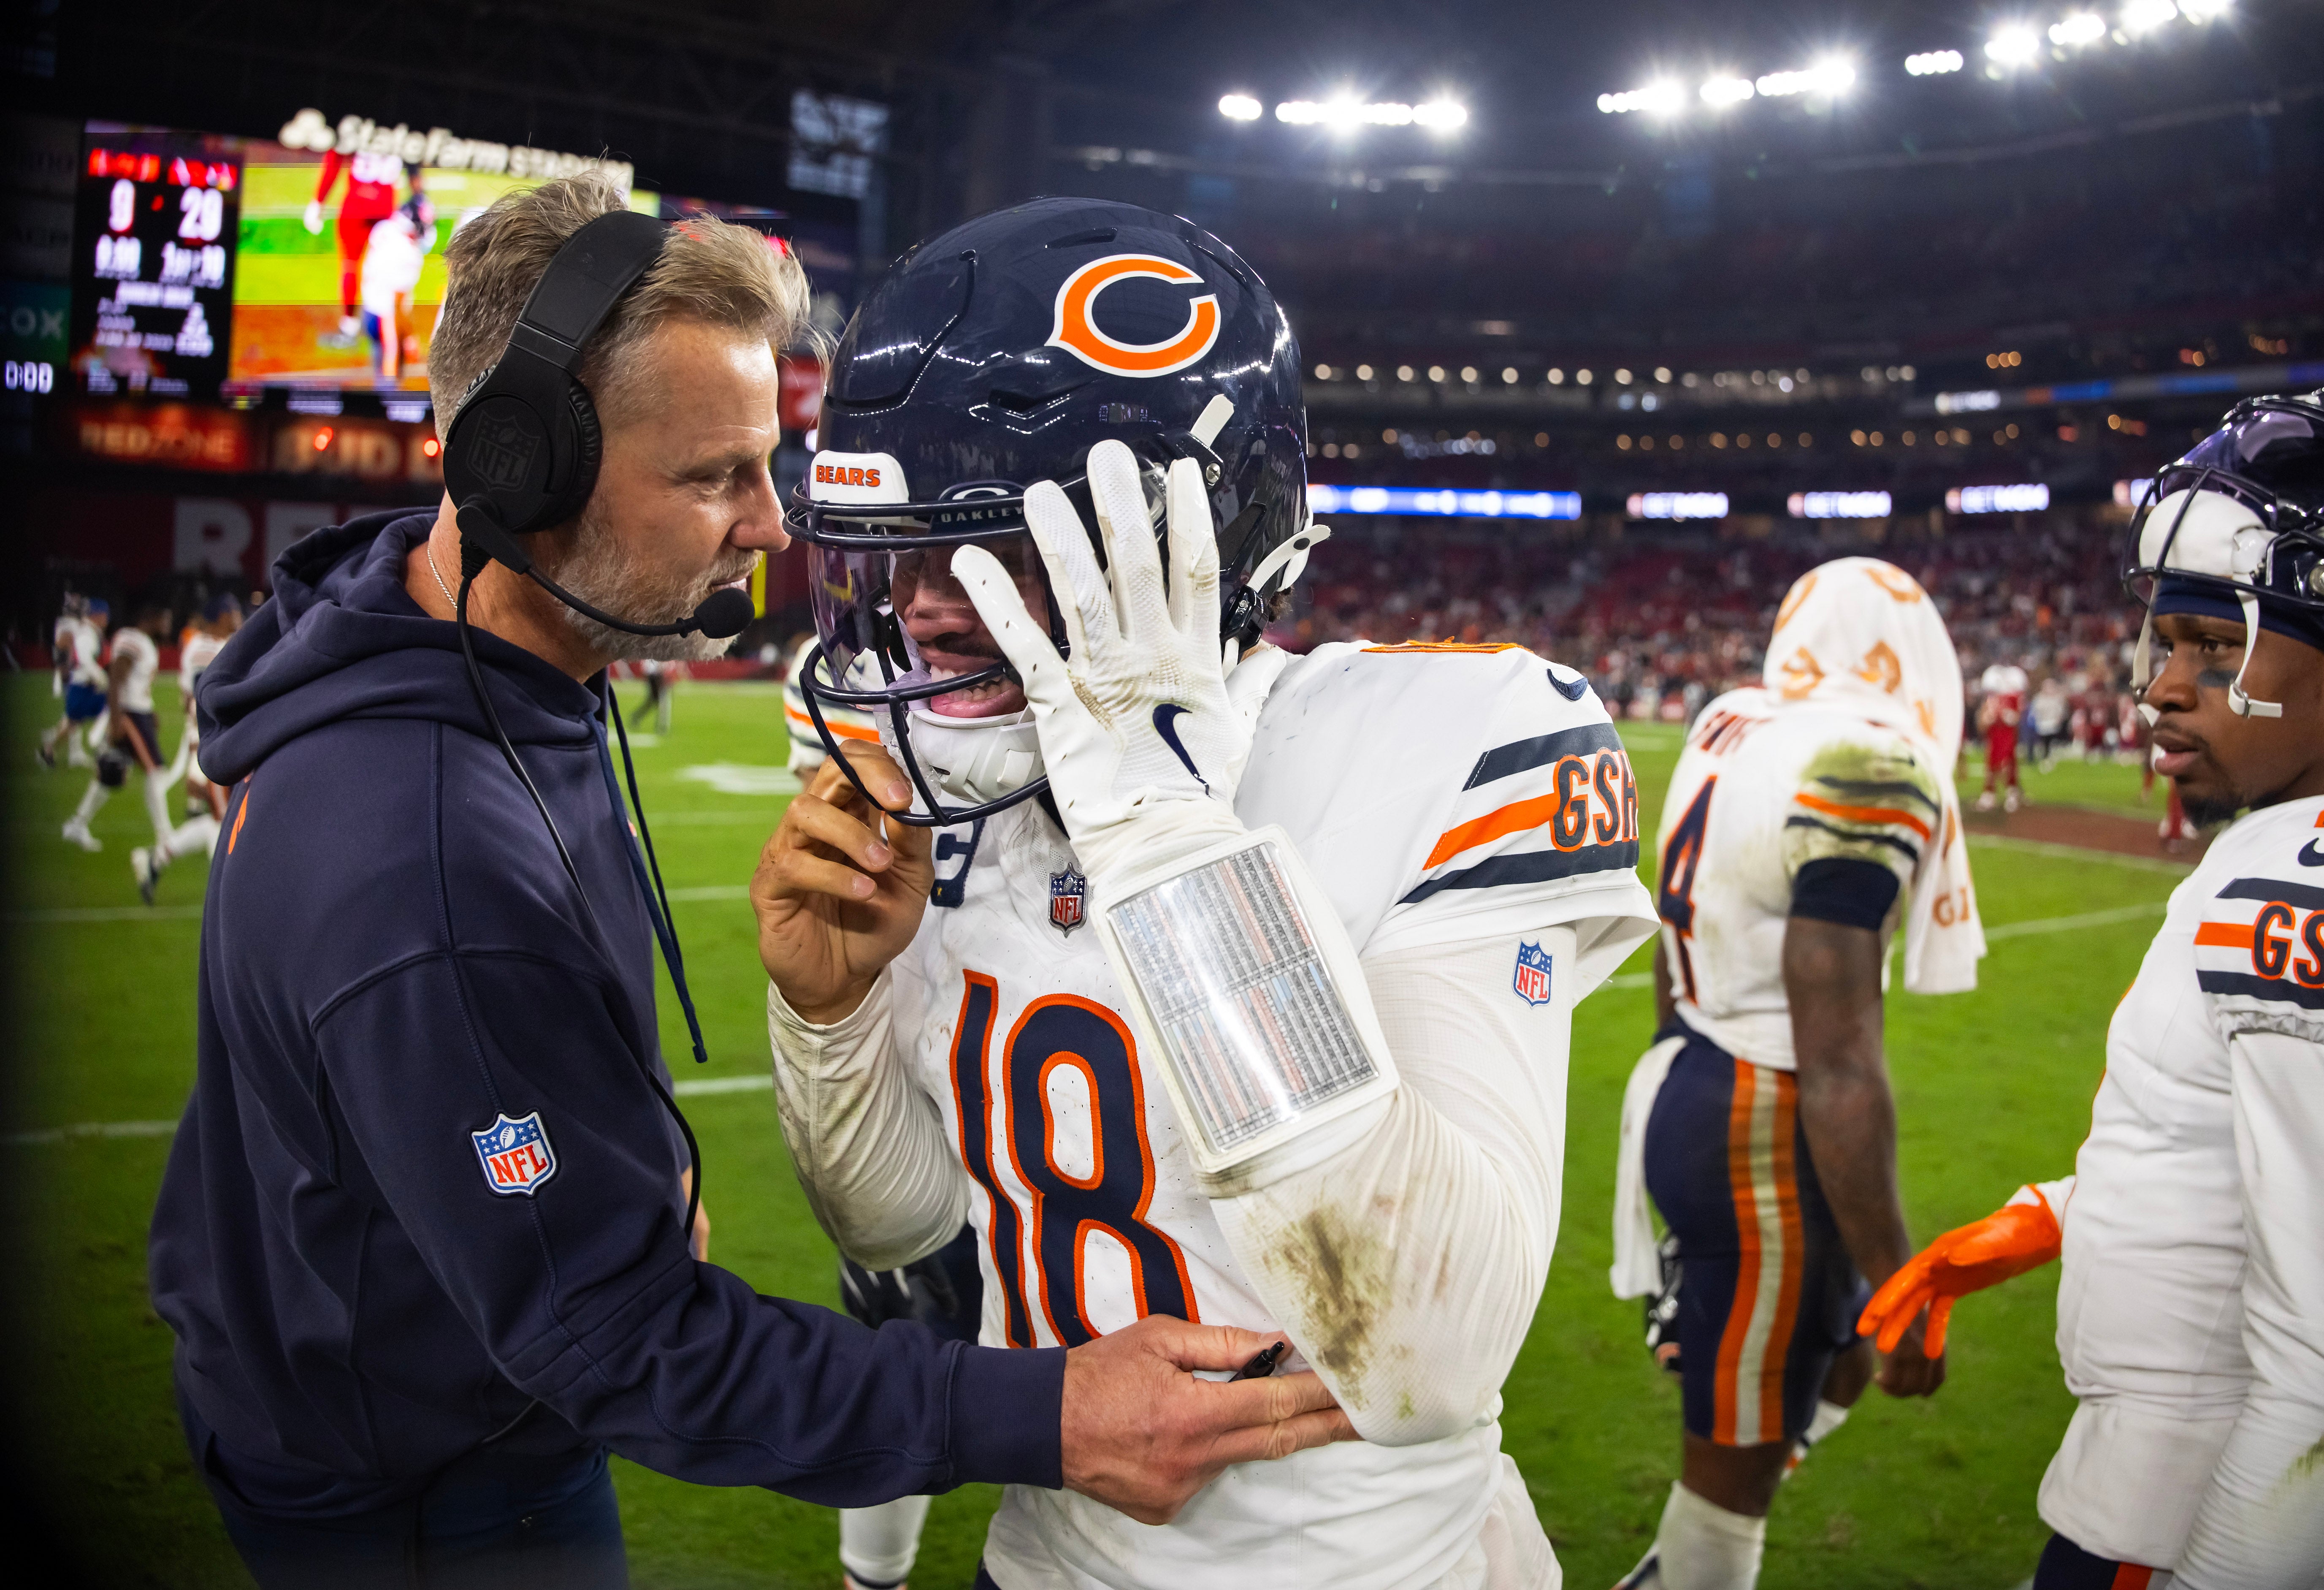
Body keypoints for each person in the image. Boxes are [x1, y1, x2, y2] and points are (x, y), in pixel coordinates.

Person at [149, 175, 1343, 1590]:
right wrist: (1049, 1408)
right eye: (713, 475)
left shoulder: (472, 652)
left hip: (396, 1372)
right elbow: (612, 1337)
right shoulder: (421, 857)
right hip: (428, 1492)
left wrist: (609, 1174)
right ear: (516, 471)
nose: (772, 528)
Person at [759, 197, 1660, 1590]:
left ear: (1182, 529)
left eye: (988, 547)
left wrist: (1167, 836)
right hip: (1046, 1555)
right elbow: (905, 1231)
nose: (927, 607)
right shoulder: (931, 788)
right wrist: (828, 1016)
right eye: (902, 553)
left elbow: (1421, 1349)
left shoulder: (1448, 736)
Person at [1858, 394, 2324, 1590]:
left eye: (2218, 651)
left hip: (2179, 1510)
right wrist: (2060, 1210)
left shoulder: (2288, 883)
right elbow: (2236, 1153)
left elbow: (2316, 1361)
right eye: (2165, 643)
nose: (2162, 689)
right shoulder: (2269, 841)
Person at [1607, 557, 1982, 1590]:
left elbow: (1665, 957)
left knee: (1837, 1356)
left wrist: (1667, 1119)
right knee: (1727, 1495)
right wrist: (1909, 1283)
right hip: (1761, 1128)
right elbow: (1840, 1064)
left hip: (1685, 1077)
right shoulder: (1865, 762)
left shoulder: (1733, 718)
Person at [135, 592, 244, 903]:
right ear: (222, 616)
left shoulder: (198, 646)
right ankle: (228, 899)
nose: (238, 617)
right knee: (226, 824)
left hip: (210, 744)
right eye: (233, 612)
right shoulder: (215, 648)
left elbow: (186, 698)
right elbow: (213, 697)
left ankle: (156, 860)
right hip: (217, 748)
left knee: (217, 821)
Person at [61, 600, 173, 856]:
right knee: (155, 772)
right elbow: (116, 678)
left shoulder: (140, 641)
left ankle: (77, 824)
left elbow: (133, 682)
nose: (168, 624)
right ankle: (166, 837)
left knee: (111, 771)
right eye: (164, 618)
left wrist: (150, 708)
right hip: (130, 715)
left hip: (136, 712)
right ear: (150, 618)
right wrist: (116, 721)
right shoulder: (134, 639)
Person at [306, 150, 412, 350]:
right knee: (389, 270)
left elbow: (335, 158)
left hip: (356, 202)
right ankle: (392, 329)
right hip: (385, 204)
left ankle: (350, 328)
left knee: (350, 266)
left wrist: (318, 202)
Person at [358, 195, 438, 383]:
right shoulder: (409, 255)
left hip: (369, 307)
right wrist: (408, 336)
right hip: (386, 317)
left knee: (377, 360)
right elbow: (395, 309)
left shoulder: (384, 229)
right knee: (390, 376)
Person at [39, 593, 108, 771]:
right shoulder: (88, 633)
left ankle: (102, 750)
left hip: (85, 685)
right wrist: (100, 677)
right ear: (98, 615)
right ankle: (49, 749)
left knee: (103, 713)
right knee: (74, 722)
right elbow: (84, 658)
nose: (107, 620)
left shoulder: (88, 630)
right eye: (105, 615)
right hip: (82, 685)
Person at [1975, 660, 2029, 811]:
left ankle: (2010, 792)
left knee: (2007, 763)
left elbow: (2017, 716)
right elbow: (1984, 719)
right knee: (1992, 764)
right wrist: (1989, 719)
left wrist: (2008, 717)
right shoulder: (1992, 700)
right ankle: (1991, 793)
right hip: (1995, 733)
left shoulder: (2013, 698)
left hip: (2007, 732)